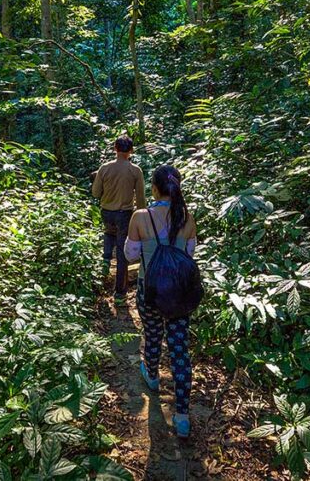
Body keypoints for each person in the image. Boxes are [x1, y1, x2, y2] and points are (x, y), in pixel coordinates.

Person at [124, 164, 198, 439]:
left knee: (153, 335)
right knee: (179, 349)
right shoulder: (187, 218)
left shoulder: (140, 217)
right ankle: (182, 417)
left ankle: (152, 377)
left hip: (150, 291)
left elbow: (131, 255)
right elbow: (188, 255)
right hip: (179, 294)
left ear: (153, 188)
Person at [91, 136, 147, 304]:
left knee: (109, 233)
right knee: (123, 252)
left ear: (115, 148)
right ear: (131, 151)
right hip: (125, 214)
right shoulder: (135, 170)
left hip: (106, 212)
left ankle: (106, 260)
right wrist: (142, 217)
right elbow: (141, 198)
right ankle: (120, 295)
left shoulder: (104, 168)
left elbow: (95, 193)